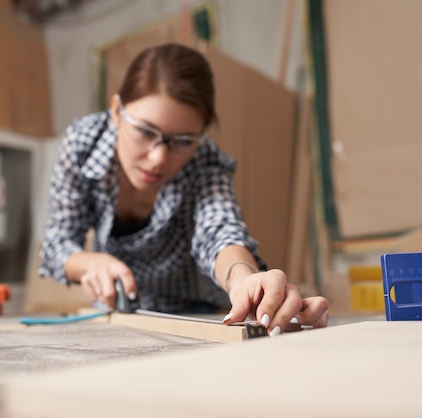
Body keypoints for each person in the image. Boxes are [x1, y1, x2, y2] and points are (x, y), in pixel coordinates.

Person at [39, 43, 328, 336]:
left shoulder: (205, 161)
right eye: (144, 131)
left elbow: (220, 229)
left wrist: (243, 279)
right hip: (120, 310)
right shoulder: (83, 144)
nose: (158, 158)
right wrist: (90, 263)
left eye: (183, 141)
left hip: (196, 310)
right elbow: (58, 243)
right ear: (117, 112)